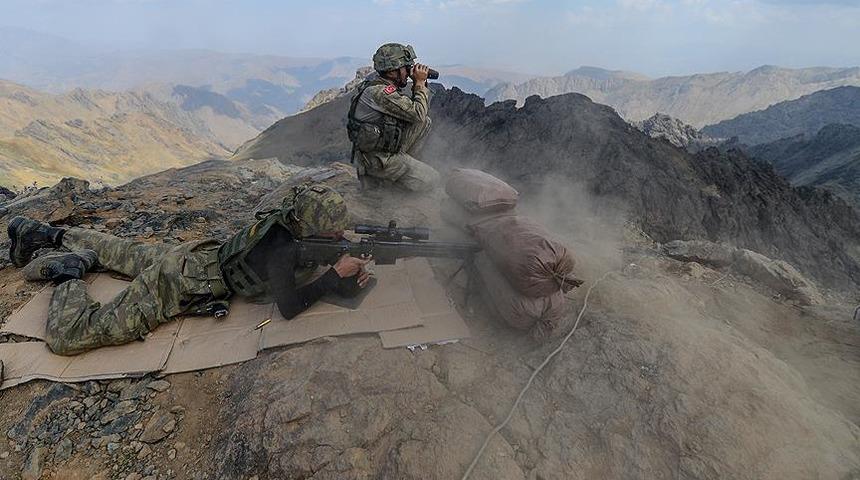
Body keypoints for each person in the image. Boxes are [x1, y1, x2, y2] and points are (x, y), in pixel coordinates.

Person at [6, 183, 371, 356]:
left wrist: (342, 275)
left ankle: (44, 233)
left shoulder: (289, 222)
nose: (340, 234)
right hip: (181, 281)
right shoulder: (282, 248)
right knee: (71, 336)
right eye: (332, 230)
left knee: (120, 250)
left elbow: (313, 262)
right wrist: (334, 277)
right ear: (309, 226)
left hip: (196, 255)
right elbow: (290, 308)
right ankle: (69, 272)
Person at [347, 43, 440, 192]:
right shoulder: (381, 93)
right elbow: (418, 113)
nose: (410, 71)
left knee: (424, 123)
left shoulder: (380, 87)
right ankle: (390, 182)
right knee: (434, 180)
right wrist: (420, 84)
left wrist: (419, 83)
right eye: (406, 67)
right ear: (391, 72)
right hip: (377, 161)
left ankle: (404, 170)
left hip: (378, 153)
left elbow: (417, 118)